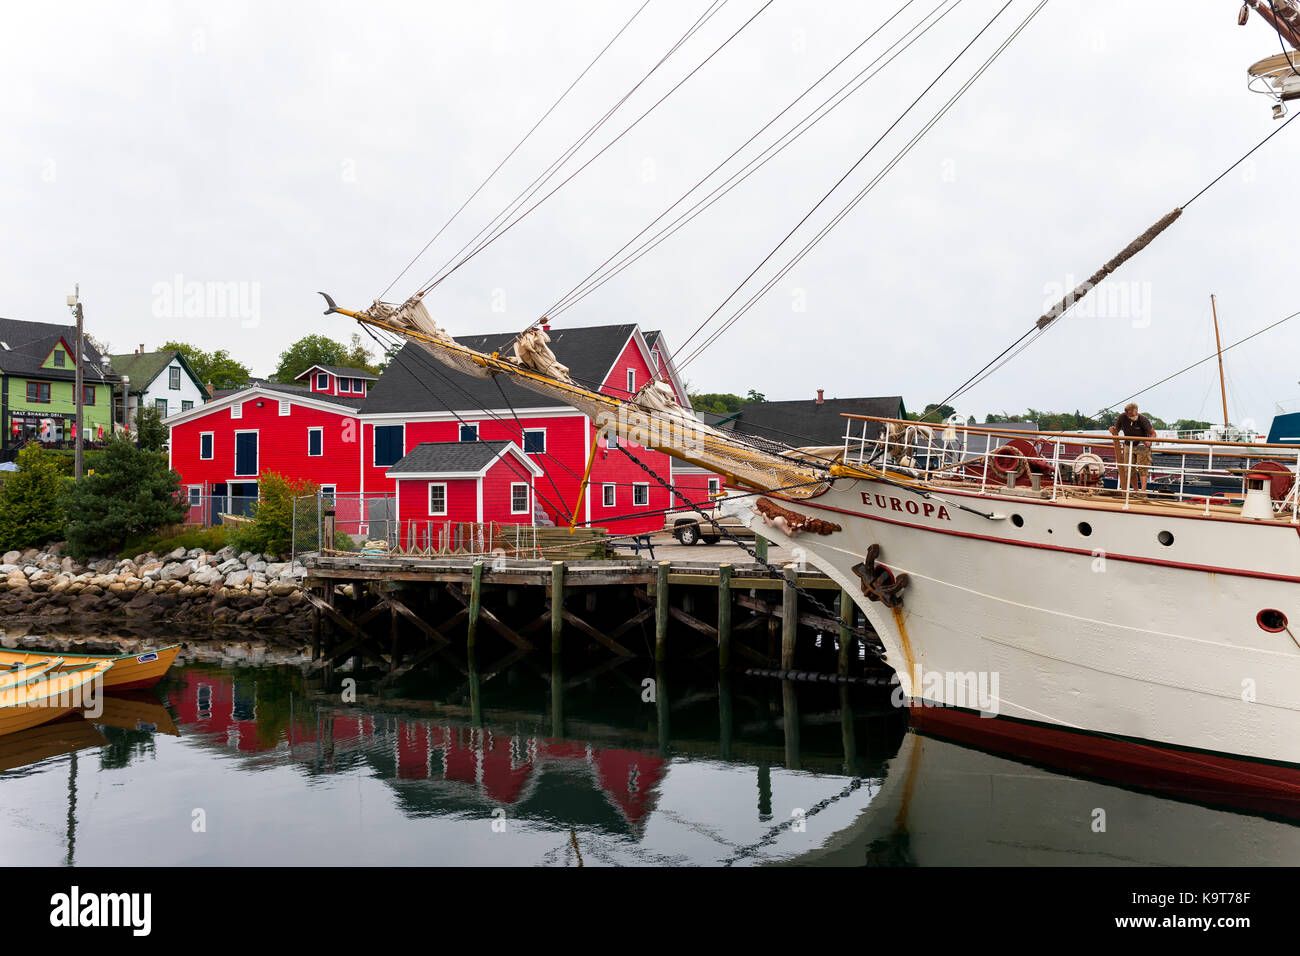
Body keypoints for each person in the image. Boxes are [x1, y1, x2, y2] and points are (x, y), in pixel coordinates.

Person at [1109, 403, 1157, 492]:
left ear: (1137, 411)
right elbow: (1116, 431)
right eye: (1130, 415)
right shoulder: (1122, 417)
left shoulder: (1143, 419)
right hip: (1128, 444)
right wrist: (1112, 430)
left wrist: (1149, 441)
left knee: (1142, 467)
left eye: (1135, 414)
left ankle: (1142, 492)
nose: (1133, 416)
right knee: (1129, 468)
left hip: (1141, 445)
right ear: (1127, 413)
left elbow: (1153, 433)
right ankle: (1136, 491)